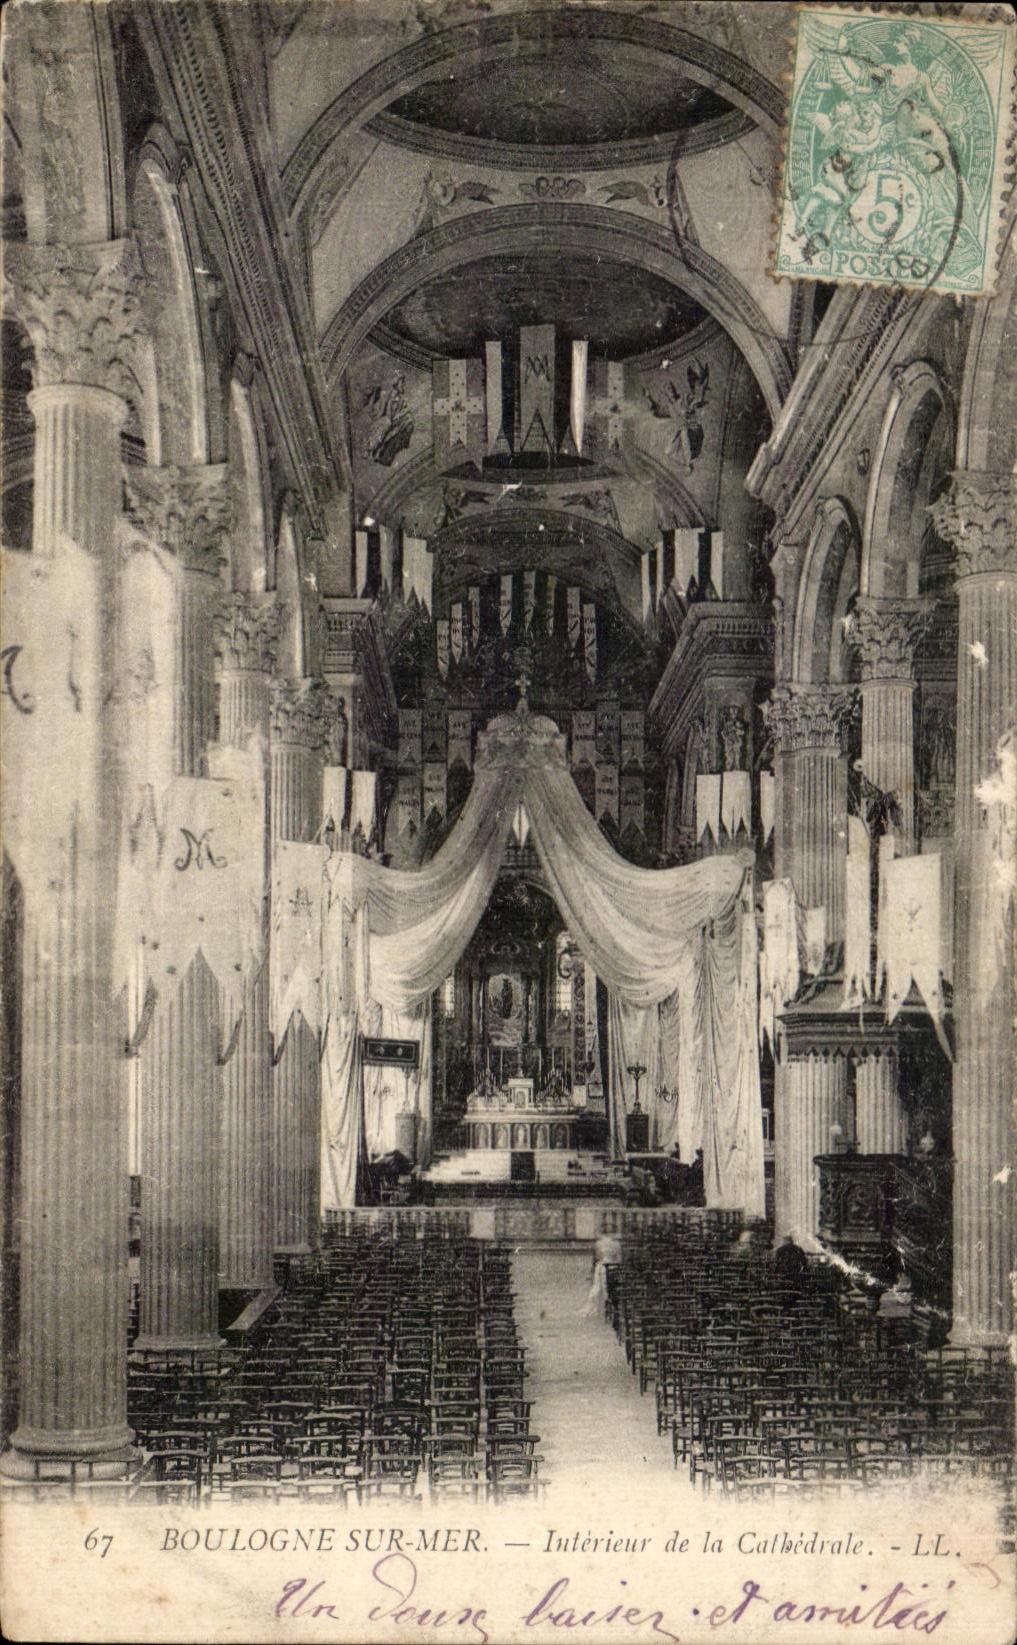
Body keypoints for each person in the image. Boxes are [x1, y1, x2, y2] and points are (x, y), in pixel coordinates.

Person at [583, 1231, 622, 1317]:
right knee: (608, 1286)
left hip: (601, 1266)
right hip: (612, 1266)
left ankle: (600, 1307)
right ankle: (609, 1305)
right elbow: (619, 1259)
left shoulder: (598, 1244)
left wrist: (592, 1271)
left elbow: (597, 1258)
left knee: (598, 1286)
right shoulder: (616, 1244)